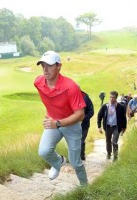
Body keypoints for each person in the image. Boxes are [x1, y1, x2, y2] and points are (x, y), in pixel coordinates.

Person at [34, 50, 88, 185]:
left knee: (75, 162)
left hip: (71, 125)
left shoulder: (71, 87)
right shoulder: (38, 82)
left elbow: (80, 115)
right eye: (43, 65)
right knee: (44, 151)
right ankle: (59, 163)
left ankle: (85, 186)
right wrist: (50, 116)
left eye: (49, 65)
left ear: (59, 66)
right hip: (52, 122)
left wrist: (57, 123)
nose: (45, 69)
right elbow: (50, 99)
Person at [97, 91, 127, 161]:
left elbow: (124, 117)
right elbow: (99, 116)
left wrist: (124, 127)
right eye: (110, 97)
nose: (111, 99)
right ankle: (109, 153)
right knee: (108, 141)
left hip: (116, 127)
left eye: (113, 97)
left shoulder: (120, 107)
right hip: (107, 127)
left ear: (116, 98)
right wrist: (99, 127)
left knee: (114, 142)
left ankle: (115, 156)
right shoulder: (105, 106)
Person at [80, 90, 94, 161]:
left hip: (84, 125)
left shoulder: (86, 98)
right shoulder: (70, 96)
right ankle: (75, 157)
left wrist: (83, 118)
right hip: (72, 124)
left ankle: (82, 156)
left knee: (81, 141)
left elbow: (91, 111)